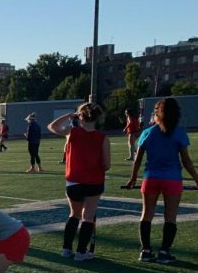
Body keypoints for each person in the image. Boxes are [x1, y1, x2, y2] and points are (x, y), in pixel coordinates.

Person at [125, 97, 198, 263]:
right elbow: (186, 161)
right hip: (172, 179)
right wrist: (196, 178)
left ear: (157, 113)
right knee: (170, 216)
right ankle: (164, 252)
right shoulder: (179, 133)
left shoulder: (147, 132)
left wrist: (133, 178)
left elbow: (138, 159)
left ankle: (146, 250)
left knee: (147, 214)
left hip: (150, 178)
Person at [47, 102, 110, 261]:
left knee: (74, 215)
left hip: (74, 181)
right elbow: (106, 165)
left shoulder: (72, 132)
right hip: (94, 182)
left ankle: (66, 249)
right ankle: (81, 252)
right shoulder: (102, 138)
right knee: (88, 217)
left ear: (80, 117)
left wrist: (69, 116)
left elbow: (52, 126)